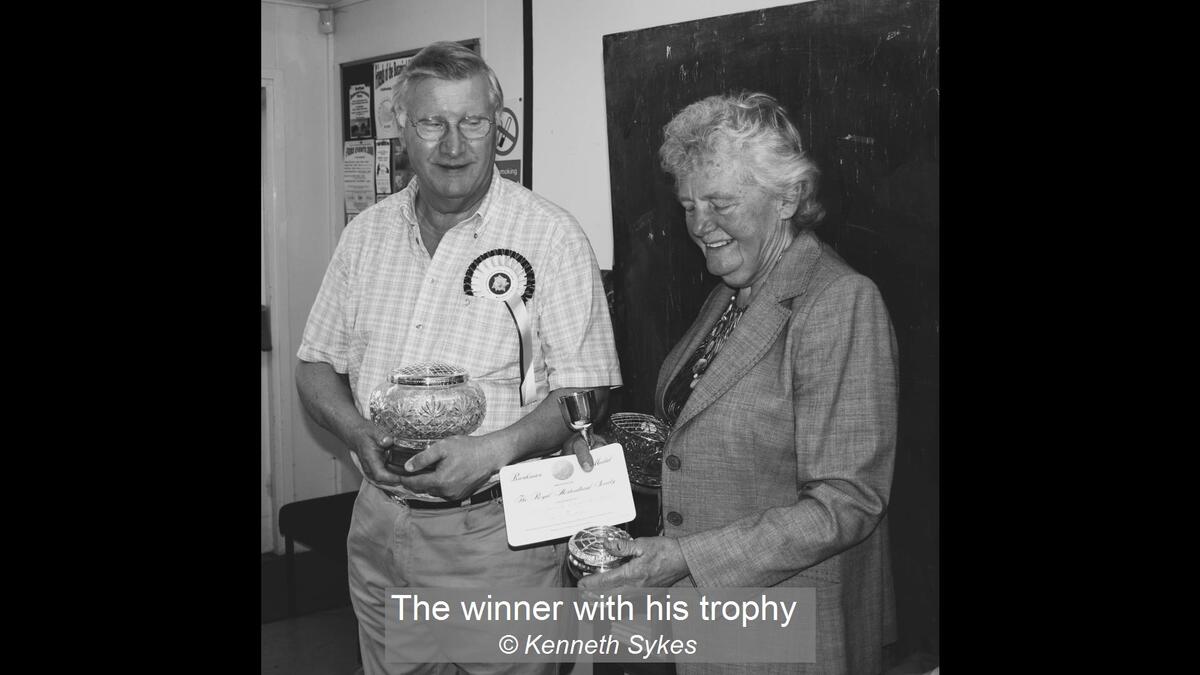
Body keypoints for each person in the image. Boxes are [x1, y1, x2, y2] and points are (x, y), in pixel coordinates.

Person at [296, 41, 622, 674]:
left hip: (497, 539)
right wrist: (357, 432)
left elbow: (588, 392)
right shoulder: (365, 236)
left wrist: (491, 451)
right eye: (432, 122)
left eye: (472, 121)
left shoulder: (551, 237)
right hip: (380, 525)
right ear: (401, 128)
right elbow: (315, 365)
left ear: (498, 126)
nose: (453, 145)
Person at [570, 91, 899, 674]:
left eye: (720, 203)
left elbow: (847, 501)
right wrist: (612, 457)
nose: (701, 226)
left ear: (787, 197)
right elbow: (707, 436)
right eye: (689, 205)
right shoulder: (732, 291)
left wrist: (684, 559)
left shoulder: (838, 300)